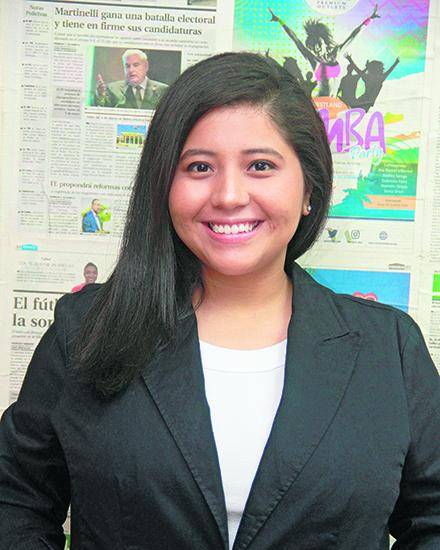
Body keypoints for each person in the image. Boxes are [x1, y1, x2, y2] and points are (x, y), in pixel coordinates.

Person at [0, 52, 439, 549]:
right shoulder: (84, 331)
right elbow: (16, 500)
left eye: (260, 166)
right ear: (164, 186)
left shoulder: (388, 348)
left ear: (309, 189)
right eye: (200, 167)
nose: (229, 195)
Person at [269, 5, 380, 96]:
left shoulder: (336, 53)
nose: (317, 49)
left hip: (333, 101)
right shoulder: (313, 59)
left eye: (318, 45)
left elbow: (353, 36)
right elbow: (296, 40)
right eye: (313, 47)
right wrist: (280, 21)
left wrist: (370, 19)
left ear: (323, 41)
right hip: (321, 101)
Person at [94, 49, 168, 109]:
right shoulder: (112, 89)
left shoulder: (163, 90)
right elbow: (101, 109)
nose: (131, 70)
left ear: (146, 66)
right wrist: (100, 96)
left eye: (136, 65)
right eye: (127, 66)